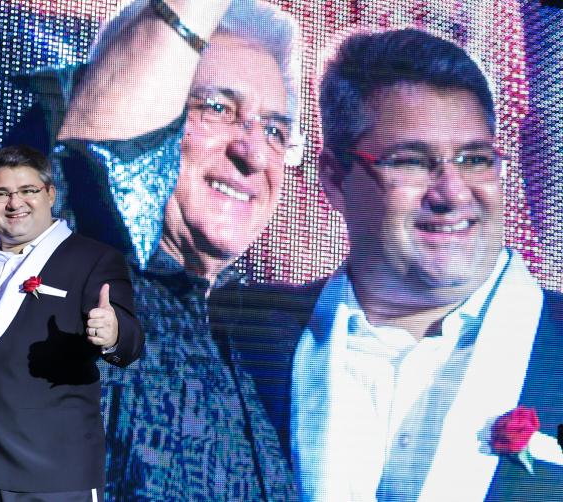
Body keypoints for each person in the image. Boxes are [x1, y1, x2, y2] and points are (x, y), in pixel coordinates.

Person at [219, 28, 563, 501]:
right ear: (335, 179)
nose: (452, 193)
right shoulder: (238, 334)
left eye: (474, 159)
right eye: (411, 162)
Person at [0, 0, 304, 498]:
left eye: (275, 130)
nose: (253, 153)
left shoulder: (256, 358)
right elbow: (91, 158)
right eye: (218, 108)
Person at [0, 145, 143, 501]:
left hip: (53, 473)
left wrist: (113, 332)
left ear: (50, 194)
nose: (15, 203)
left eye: (28, 190)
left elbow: (131, 341)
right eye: (1, 193)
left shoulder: (93, 258)